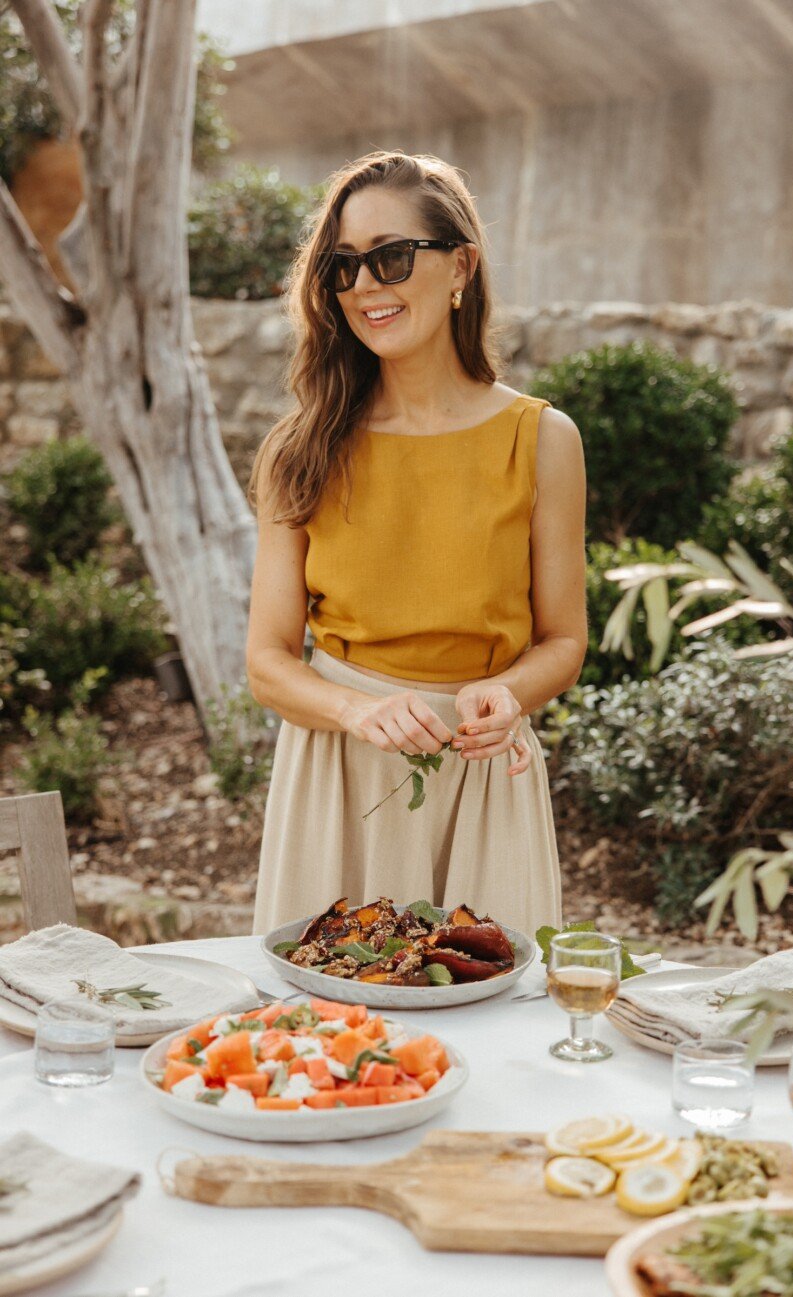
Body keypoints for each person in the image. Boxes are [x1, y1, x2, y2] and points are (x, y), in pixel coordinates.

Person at [246, 149, 587, 938]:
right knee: (330, 1036)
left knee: (494, 1026)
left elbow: (563, 638)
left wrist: (511, 693)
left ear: (460, 265)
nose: (366, 286)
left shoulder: (542, 440)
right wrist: (356, 711)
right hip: (337, 776)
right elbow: (267, 662)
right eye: (344, 266)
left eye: (391, 258)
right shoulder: (299, 449)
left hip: (482, 773)